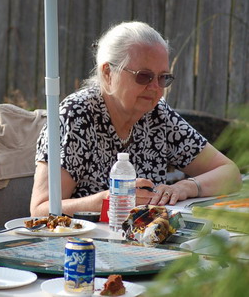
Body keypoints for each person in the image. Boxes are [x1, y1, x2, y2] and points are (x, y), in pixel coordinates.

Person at [30, 21, 242, 217]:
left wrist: (185, 187)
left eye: (163, 78)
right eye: (144, 76)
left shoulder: (158, 115)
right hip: (82, 248)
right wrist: (103, 201)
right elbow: (40, 210)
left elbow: (230, 173)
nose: (155, 88)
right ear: (107, 73)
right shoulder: (76, 115)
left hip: (143, 243)